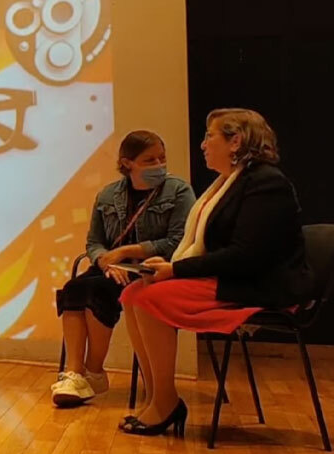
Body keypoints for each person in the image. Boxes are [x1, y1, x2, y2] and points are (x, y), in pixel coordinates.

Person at [119, 109, 311, 436]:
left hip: (260, 285)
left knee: (150, 298)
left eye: (210, 136)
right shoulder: (230, 183)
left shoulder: (266, 183)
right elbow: (217, 248)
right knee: (132, 293)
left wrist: (176, 269)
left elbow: (246, 256)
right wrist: (171, 266)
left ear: (235, 142)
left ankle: (165, 402)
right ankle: (157, 397)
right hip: (235, 276)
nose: (203, 145)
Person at [51, 130, 195, 407]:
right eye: (149, 160)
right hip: (111, 268)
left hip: (153, 270)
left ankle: (93, 371)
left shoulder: (178, 191)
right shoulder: (108, 195)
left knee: (98, 291)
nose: (159, 165)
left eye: (161, 158)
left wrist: (128, 252)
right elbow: (94, 242)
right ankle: (75, 373)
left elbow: (178, 241)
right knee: (74, 289)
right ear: (128, 163)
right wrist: (105, 261)